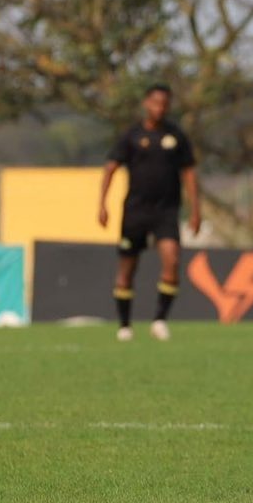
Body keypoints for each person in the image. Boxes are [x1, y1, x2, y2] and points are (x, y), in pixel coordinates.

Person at [98, 84, 201, 342]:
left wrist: (195, 210)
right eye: (155, 102)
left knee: (172, 260)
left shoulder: (176, 136)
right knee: (127, 269)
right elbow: (110, 168)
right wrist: (102, 204)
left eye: (164, 103)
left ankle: (159, 320)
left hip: (166, 211)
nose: (160, 108)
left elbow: (189, 173)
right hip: (135, 212)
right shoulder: (131, 136)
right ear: (146, 103)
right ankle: (124, 325)